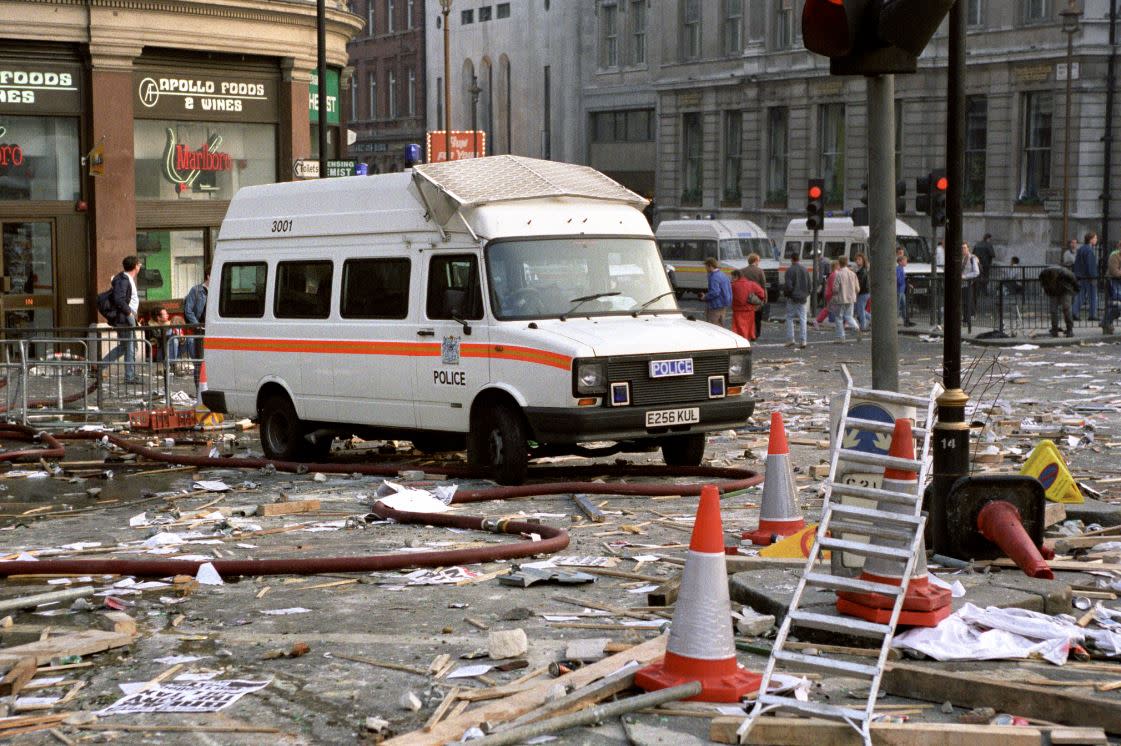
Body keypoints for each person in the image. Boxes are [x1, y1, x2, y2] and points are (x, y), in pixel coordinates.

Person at [101, 255, 142, 384]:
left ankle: (98, 366)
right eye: (139, 264)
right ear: (135, 266)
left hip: (127, 317)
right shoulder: (123, 280)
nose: (140, 266)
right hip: (125, 317)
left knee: (126, 347)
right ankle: (129, 376)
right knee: (129, 347)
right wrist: (129, 313)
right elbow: (119, 299)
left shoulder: (126, 279)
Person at [1039, 263, 1078, 338]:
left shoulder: (1065, 274)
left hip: (1065, 290)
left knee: (1066, 308)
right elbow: (1043, 284)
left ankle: (1069, 329)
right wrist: (1048, 291)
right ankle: (1054, 329)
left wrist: (1075, 291)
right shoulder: (1043, 275)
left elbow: (1074, 281)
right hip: (1053, 291)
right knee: (1053, 310)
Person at [183, 272, 209, 379]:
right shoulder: (196, 290)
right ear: (208, 276)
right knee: (199, 362)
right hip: (199, 330)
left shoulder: (218, 289)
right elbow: (188, 310)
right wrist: (197, 325)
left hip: (211, 329)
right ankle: (199, 387)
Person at [783, 252, 811, 349]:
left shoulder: (789, 270)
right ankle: (803, 340)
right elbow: (809, 285)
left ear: (791, 259)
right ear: (799, 259)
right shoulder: (805, 270)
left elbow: (788, 286)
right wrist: (806, 294)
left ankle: (790, 339)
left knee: (790, 317)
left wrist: (787, 294)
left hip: (792, 297)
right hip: (803, 298)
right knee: (803, 319)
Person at [832, 256, 861, 343]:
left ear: (839, 263)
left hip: (841, 299)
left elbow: (835, 289)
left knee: (839, 318)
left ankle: (841, 337)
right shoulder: (853, 274)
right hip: (851, 298)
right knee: (849, 316)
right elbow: (858, 289)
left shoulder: (839, 274)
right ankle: (857, 328)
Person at [730, 269, 765, 341]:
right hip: (750, 310)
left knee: (738, 328)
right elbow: (762, 293)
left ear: (736, 276)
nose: (731, 279)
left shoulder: (733, 285)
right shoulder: (751, 284)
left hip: (738, 311)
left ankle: (741, 341)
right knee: (748, 327)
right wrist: (757, 301)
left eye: (732, 277)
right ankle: (749, 338)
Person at [1072, 232, 1099, 321]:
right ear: (1090, 239)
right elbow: (1090, 265)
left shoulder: (1081, 249)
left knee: (1080, 296)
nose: (1096, 240)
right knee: (1093, 296)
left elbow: (1077, 263)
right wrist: (1094, 277)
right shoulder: (1089, 250)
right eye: (1095, 238)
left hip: (1080, 276)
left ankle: (1074, 313)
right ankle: (1092, 315)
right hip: (1089, 278)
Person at [743, 253, 768, 335]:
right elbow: (763, 285)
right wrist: (765, 298)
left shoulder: (742, 271)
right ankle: (756, 333)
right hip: (757, 297)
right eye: (759, 260)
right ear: (755, 260)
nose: (759, 262)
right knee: (757, 317)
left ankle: (747, 332)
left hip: (746, 297)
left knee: (747, 316)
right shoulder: (760, 271)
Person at [703, 257, 731, 327]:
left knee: (713, 327)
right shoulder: (723, 274)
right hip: (723, 303)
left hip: (715, 305)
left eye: (706, 266)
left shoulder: (714, 277)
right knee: (720, 325)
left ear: (710, 266)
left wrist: (705, 297)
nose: (705, 269)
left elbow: (715, 292)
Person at [1103, 241, 1121, 335]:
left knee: (1113, 305)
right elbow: (1114, 271)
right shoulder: (1114, 255)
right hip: (1112, 282)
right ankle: (1107, 323)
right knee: (1116, 305)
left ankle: (1106, 323)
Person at [815, 259, 839, 328]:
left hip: (829, 294)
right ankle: (818, 320)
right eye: (839, 265)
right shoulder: (834, 275)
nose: (840, 267)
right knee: (829, 308)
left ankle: (819, 320)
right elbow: (834, 286)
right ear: (836, 266)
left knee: (829, 308)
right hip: (832, 294)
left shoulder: (832, 274)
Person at [961, 242, 980, 325]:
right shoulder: (961, 258)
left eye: (965, 248)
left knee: (967, 302)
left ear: (968, 248)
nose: (963, 250)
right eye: (962, 248)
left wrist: (965, 276)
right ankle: (965, 319)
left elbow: (976, 272)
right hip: (961, 284)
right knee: (964, 302)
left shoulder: (972, 258)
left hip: (968, 283)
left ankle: (967, 320)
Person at [853, 253, 871, 331]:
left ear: (863, 261)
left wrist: (855, 291)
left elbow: (859, 283)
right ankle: (874, 320)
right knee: (860, 309)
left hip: (863, 293)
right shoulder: (861, 270)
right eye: (856, 259)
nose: (857, 261)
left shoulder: (862, 271)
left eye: (859, 259)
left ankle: (863, 327)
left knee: (860, 310)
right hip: (864, 292)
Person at [896, 254, 915, 327]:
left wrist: (906, 283)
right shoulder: (898, 269)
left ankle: (906, 321)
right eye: (905, 261)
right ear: (900, 262)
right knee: (898, 307)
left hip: (901, 290)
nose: (906, 262)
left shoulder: (901, 269)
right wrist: (904, 281)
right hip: (899, 290)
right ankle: (897, 321)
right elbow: (899, 280)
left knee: (904, 306)